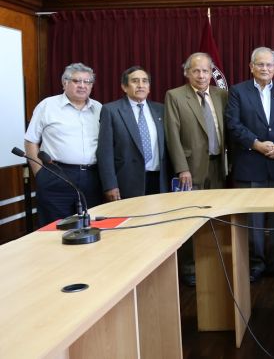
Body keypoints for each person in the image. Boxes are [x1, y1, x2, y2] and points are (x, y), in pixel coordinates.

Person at [225, 47, 274, 283]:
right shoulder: (237, 91)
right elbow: (232, 124)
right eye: (260, 64)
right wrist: (255, 144)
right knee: (253, 220)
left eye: (269, 65)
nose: (265, 69)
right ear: (251, 66)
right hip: (250, 164)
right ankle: (256, 265)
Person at [164, 52, 229, 286]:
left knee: (217, 217)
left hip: (218, 167)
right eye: (196, 71)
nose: (202, 75)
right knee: (190, 219)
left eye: (206, 71)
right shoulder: (175, 96)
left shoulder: (222, 94)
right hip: (190, 170)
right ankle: (190, 268)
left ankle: (214, 263)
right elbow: (172, 135)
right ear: (187, 73)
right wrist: (182, 168)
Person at [24, 63, 103, 226]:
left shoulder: (99, 108)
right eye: (77, 81)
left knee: (91, 227)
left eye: (87, 82)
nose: (82, 86)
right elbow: (31, 141)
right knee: (55, 229)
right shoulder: (47, 106)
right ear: (64, 83)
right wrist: (40, 174)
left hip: (93, 178)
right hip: (56, 175)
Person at [97, 66, 169, 201]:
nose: (141, 85)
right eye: (135, 81)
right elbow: (104, 152)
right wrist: (110, 185)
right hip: (127, 182)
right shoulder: (111, 110)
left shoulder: (161, 109)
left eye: (145, 81)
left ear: (149, 87)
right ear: (124, 87)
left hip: (159, 180)